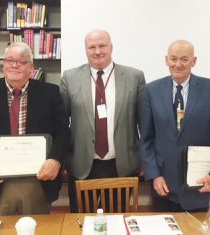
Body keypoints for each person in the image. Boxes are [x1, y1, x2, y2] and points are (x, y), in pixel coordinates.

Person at [0, 42, 69, 216]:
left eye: (21, 61)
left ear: (31, 67)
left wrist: (55, 160)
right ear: (4, 64)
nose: (14, 65)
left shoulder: (50, 93)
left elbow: (63, 133)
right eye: (9, 60)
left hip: (36, 184)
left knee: (37, 230)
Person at [139, 39, 210, 212]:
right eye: (173, 59)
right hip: (164, 190)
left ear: (194, 61)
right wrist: (154, 175)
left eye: (184, 59)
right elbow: (146, 140)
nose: (178, 64)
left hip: (202, 188)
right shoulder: (151, 91)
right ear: (166, 60)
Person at [60, 29, 146, 212]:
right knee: (82, 223)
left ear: (111, 47)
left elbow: (144, 123)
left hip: (121, 165)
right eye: (92, 47)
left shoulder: (134, 77)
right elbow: (61, 124)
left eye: (102, 46)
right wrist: (63, 159)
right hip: (82, 165)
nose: (97, 51)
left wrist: (145, 159)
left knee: (116, 222)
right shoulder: (70, 77)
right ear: (85, 49)